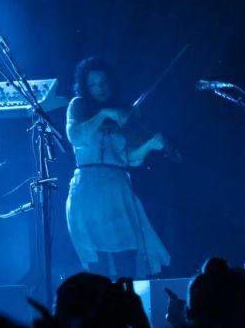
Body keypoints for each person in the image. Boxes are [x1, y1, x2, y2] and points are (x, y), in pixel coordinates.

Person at [64, 57, 170, 278]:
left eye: (102, 82)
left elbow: (129, 158)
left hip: (117, 188)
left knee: (127, 255)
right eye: (92, 85)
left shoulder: (125, 111)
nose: (99, 89)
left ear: (110, 82)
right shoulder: (78, 107)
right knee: (98, 259)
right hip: (89, 188)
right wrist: (103, 114)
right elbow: (76, 136)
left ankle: (126, 305)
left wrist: (149, 146)